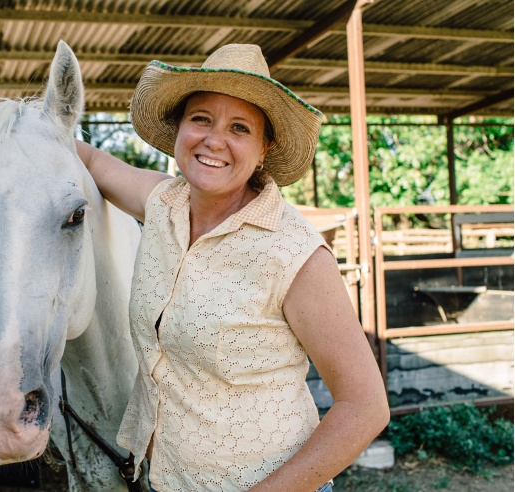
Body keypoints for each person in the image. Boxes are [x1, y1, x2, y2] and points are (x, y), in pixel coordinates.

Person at [75, 44, 389, 492]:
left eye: (239, 127)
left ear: (264, 150)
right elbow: (88, 160)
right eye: (201, 118)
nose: (214, 139)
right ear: (180, 128)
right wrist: (13, 127)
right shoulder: (162, 203)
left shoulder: (294, 252)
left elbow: (366, 406)